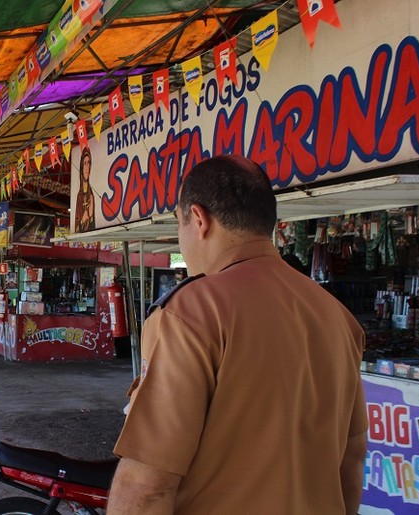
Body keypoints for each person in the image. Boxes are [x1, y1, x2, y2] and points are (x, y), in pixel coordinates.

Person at [108, 155, 367, 514]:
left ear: (198, 220)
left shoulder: (190, 313)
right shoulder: (337, 316)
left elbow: (147, 484)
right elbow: (351, 459)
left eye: (179, 226)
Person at [75, 147, 95, 232]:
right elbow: (75, 228)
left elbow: (94, 226)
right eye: (85, 163)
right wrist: (82, 220)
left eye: (88, 163)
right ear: (81, 167)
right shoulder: (79, 196)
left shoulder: (91, 194)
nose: (87, 167)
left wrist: (90, 216)